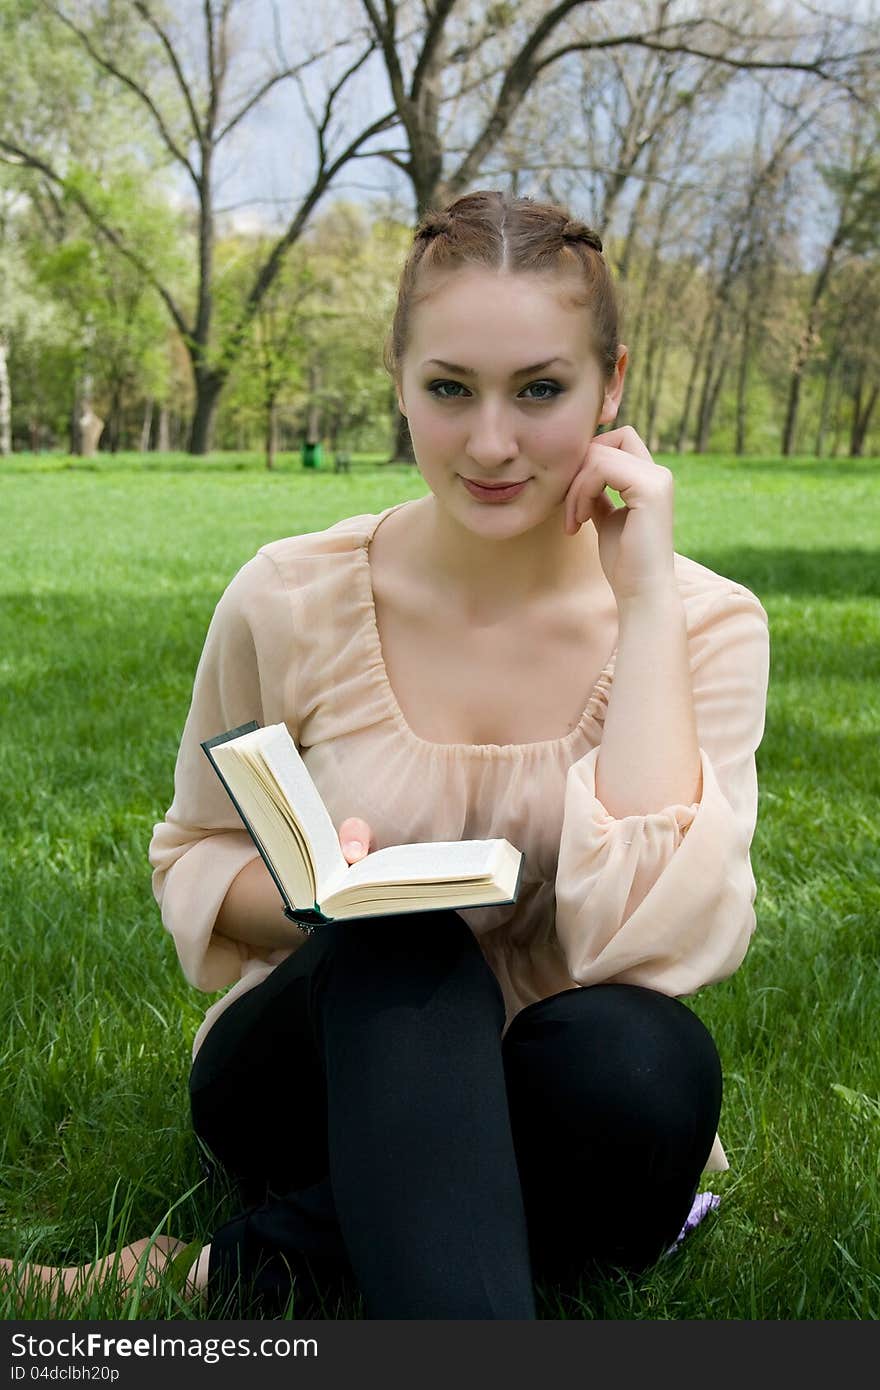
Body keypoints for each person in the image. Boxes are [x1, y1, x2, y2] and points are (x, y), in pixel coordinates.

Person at [4, 189, 770, 1320]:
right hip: (319, 1065)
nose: (492, 441)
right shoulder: (289, 595)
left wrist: (644, 598)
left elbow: (647, 944)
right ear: (398, 378)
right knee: (403, 938)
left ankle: (238, 1265)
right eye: (449, 389)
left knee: (645, 1063)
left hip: (558, 1091)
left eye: (541, 390)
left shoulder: (705, 624)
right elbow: (199, 852)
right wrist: (327, 898)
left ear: (611, 387)